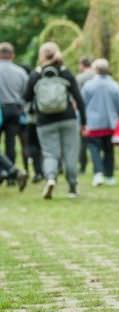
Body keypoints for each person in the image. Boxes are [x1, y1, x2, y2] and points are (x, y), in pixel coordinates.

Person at [24, 42, 86, 199]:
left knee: (50, 153)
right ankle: (72, 187)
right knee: (70, 153)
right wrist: (84, 122)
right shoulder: (65, 73)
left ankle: (51, 178)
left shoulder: (36, 74)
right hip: (68, 119)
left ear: (41, 56)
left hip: (44, 121)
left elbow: (26, 98)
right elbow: (79, 98)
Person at [82, 58, 119, 187]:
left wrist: (82, 122)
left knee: (94, 149)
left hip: (93, 124)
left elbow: (82, 105)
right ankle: (109, 176)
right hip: (110, 124)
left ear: (95, 70)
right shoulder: (114, 85)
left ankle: (98, 173)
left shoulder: (88, 86)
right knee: (109, 150)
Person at [0, 42, 28, 172]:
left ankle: (2, 171)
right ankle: (11, 173)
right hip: (15, 109)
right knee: (10, 142)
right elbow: (25, 92)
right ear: (13, 55)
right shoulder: (20, 72)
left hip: (0, 108)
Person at [76, 56, 95, 174]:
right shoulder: (97, 76)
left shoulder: (79, 78)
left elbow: (76, 97)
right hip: (97, 111)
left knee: (83, 141)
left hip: (83, 111)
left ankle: (82, 166)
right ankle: (98, 165)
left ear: (82, 65)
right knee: (96, 140)